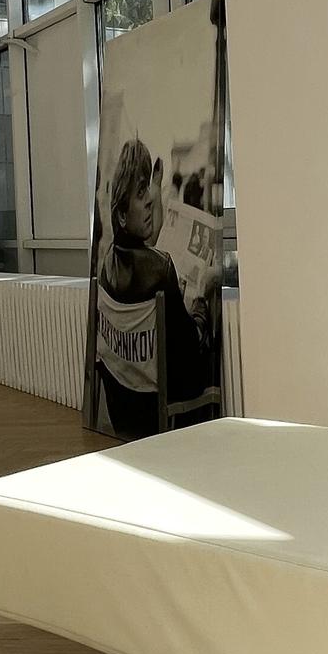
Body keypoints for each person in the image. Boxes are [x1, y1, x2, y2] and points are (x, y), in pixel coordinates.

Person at [92, 138, 217, 437]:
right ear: (122, 215)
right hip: (158, 412)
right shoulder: (161, 268)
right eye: (141, 193)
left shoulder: (106, 266)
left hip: (122, 410)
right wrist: (201, 301)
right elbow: (191, 347)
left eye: (147, 188)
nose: (149, 198)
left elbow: (147, 240)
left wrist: (156, 187)